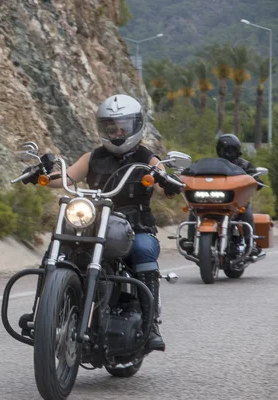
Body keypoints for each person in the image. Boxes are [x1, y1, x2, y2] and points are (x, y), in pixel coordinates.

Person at [22, 94, 182, 352]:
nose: (117, 132)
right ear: (102, 128)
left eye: (123, 126)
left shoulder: (146, 158)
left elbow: (164, 186)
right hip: (93, 224)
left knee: (143, 249)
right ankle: (41, 314)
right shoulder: (92, 157)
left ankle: (151, 325)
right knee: (58, 247)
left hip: (135, 227)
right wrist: (40, 175)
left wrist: (167, 181)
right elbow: (66, 177)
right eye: (111, 127)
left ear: (135, 126)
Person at [183, 133, 265, 258]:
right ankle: (190, 241)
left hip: (234, 203)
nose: (226, 152)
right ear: (218, 150)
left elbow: (255, 178)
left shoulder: (244, 165)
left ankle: (251, 243)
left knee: (246, 208)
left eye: (230, 150)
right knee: (194, 209)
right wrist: (185, 174)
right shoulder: (211, 164)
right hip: (212, 201)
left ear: (237, 151)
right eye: (223, 149)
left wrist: (256, 180)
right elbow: (194, 170)